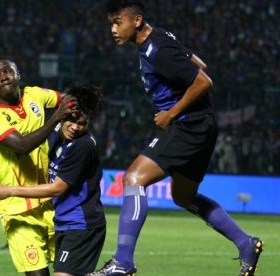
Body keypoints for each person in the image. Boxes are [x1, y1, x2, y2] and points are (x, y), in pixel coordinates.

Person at [89, 1, 264, 276]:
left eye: (117, 22)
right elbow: (199, 63)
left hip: (186, 125)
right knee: (183, 196)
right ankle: (245, 243)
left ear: (136, 21)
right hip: (202, 125)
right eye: (111, 23)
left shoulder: (157, 49)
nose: (113, 29)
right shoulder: (161, 37)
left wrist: (171, 113)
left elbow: (203, 80)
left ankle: (123, 261)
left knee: (133, 178)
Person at [0, 83, 106, 276]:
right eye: (72, 120)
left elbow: (57, 188)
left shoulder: (82, 146)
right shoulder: (57, 134)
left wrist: (9, 190)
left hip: (82, 224)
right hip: (63, 221)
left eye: (82, 123)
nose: (75, 127)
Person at [0, 58, 76, 276]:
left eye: (7, 71)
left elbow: (69, 100)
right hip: (16, 208)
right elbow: (22, 146)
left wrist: (69, 120)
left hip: (50, 203)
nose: (3, 76)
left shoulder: (35, 95)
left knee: (69, 271)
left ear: (17, 75)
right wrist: (56, 119)